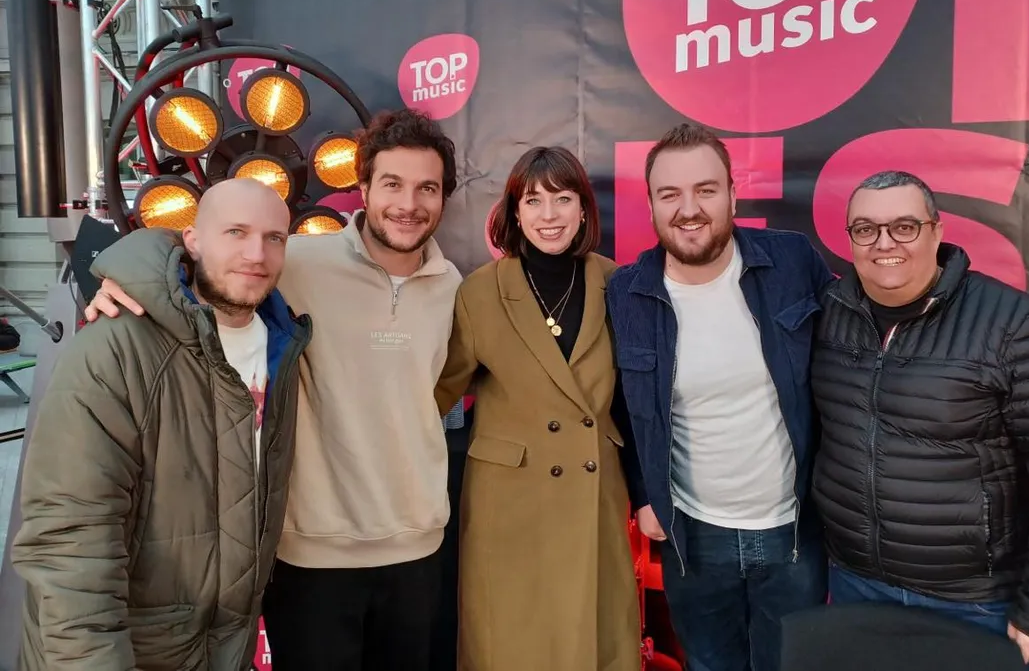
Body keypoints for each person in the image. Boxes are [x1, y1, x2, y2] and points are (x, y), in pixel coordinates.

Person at [83, 109, 464, 671]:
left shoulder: (453, 285)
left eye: (426, 188)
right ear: (363, 188)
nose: (409, 203)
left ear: (443, 198)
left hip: (419, 549)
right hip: (309, 554)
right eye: (392, 184)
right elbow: (200, 252)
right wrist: (118, 279)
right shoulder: (296, 261)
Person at [11, 178, 312, 671]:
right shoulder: (115, 348)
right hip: (127, 650)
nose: (256, 253)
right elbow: (69, 545)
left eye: (274, 237)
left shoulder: (284, 345)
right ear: (191, 240)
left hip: (223, 648)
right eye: (235, 232)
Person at [813, 170, 1029, 669]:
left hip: (976, 601)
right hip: (856, 583)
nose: (884, 243)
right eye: (865, 229)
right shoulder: (829, 312)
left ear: (937, 232)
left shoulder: (1014, 324)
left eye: (904, 226)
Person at [604, 122, 834, 671]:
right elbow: (622, 407)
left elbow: (849, 364)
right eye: (670, 194)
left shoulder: (793, 263)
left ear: (733, 194)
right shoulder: (626, 292)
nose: (689, 209)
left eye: (705, 190)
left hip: (793, 531)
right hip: (693, 535)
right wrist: (642, 493)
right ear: (653, 205)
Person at [434, 145, 644, 671]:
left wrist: (646, 494)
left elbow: (634, 402)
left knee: (593, 633)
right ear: (513, 211)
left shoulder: (618, 283)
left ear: (582, 209)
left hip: (592, 488)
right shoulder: (480, 292)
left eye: (562, 199)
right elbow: (441, 391)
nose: (548, 216)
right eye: (533, 201)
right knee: (510, 639)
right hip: (510, 498)